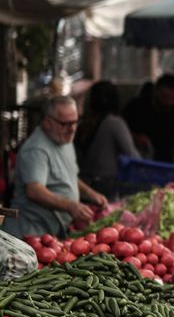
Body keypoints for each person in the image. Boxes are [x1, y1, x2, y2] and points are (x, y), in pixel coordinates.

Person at [4, 96, 107, 238]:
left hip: (51, 233)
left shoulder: (64, 139)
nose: (72, 129)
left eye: (75, 122)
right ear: (47, 123)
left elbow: (68, 176)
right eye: (66, 124)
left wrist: (90, 194)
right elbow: (34, 190)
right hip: (30, 232)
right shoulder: (36, 149)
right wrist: (70, 206)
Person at [76, 81, 140, 197]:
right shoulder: (114, 123)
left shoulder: (82, 123)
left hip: (82, 185)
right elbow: (133, 156)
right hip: (104, 187)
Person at [123, 74, 174, 165]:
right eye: (165, 97)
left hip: (165, 165)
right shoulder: (135, 107)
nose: (168, 103)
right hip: (134, 161)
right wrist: (135, 137)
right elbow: (120, 129)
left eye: (172, 98)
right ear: (156, 91)